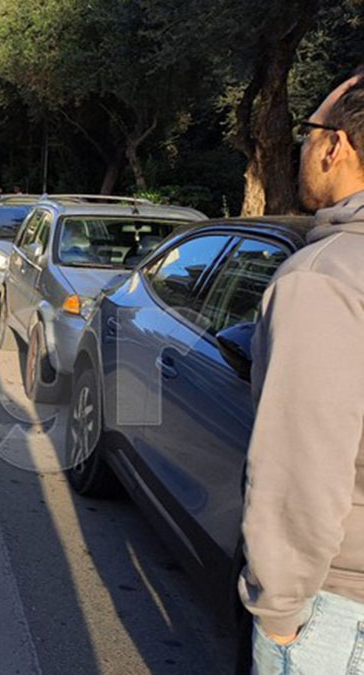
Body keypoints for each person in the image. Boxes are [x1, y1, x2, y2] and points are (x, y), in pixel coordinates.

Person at [239, 68, 364, 674]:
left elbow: (303, 464)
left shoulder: (323, 277)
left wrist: (281, 615)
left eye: (308, 132)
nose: (302, 148)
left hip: (339, 611)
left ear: (337, 146)